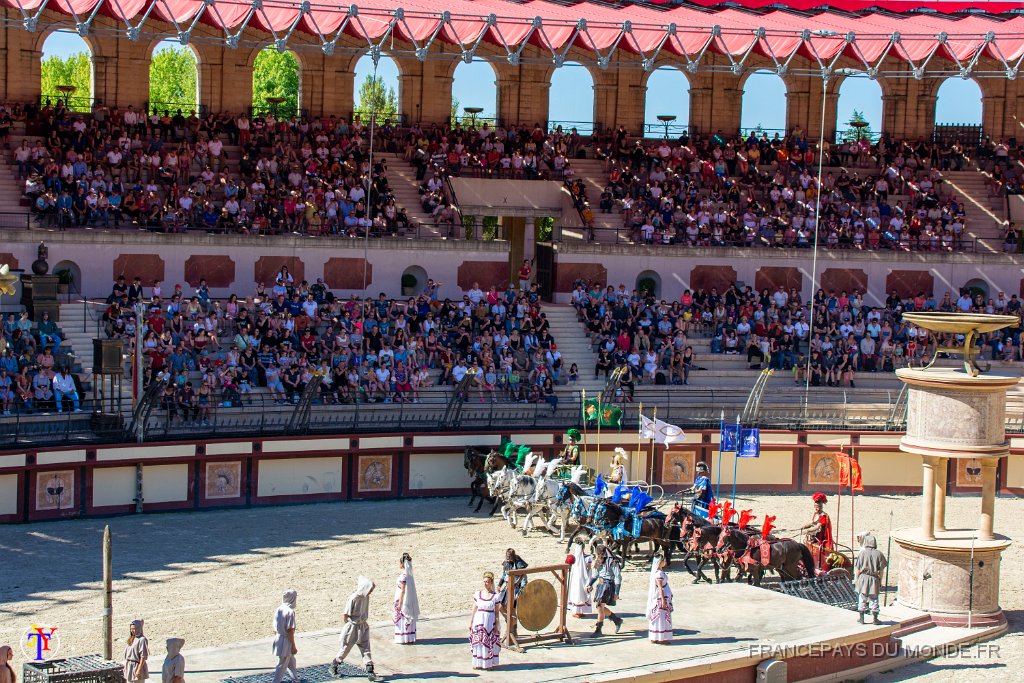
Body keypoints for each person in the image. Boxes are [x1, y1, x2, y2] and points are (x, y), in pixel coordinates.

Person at [332, 577, 377, 681]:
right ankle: (334, 665)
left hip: (363, 625)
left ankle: (370, 671)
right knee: (346, 647)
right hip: (353, 626)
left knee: (366, 648)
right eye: (370, 589)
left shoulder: (366, 596)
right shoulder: (353, 598)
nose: (371, 591)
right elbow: (345, 614)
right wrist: (348, 626)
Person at [586, 544, 623, 636]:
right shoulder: (598, 561)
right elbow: (595, 575)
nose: (599, 558)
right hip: (601, 585)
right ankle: (616, 619)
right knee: (600, 607)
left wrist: (616, 592)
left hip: (608, 585)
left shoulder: (613, 562)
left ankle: (598, 629)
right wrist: (589, 584)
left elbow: (618, 577)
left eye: (601, 556)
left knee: (599, 606)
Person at [469, 572, 501, 670]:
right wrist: (471, 622)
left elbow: (496, 612)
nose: (485, 583)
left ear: (491, 583)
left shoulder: (495, 596)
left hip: (489, 621)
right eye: (484, 581)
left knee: (488, 642)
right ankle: (478, 663)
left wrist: (496, 624)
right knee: (478, 641)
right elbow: (474, 608)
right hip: (479, 620)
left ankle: (488, 664)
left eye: (487, 582)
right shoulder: (478, 594)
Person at [855, 531, 888, 625]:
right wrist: (880, 580)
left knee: (862, 598)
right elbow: (881, 570)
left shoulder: (862, 554)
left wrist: (857, 579)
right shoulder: (879, 554)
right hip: (873, 578)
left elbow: (857, 569)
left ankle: (861, 618)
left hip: (863, 578)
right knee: (874, 598)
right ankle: (875, 619)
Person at [497, 548, 528, 637]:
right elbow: (504, 575)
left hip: (515, 589)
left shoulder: (519, 565)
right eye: (507, 556)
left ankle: (513, 631)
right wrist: (499, 585)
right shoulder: (506, 563)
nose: (507, 557)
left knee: (512, 610)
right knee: (499, 606)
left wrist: (520, 592)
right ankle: (510, 621)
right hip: (507, 588)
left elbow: (524, 579)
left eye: (509, 556)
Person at [271, 590, 299, 683]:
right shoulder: (290, 612)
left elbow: (274, 628)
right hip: (286, 640)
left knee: (291, 662)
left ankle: (295, 680)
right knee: (282, 664)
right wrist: (293, 646)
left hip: (279, 638)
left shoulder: (279, 609)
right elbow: (290, 630)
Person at [393, 553, 420, 644]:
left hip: (403, 600)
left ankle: (403, 637)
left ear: (402, 564)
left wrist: (400, 603)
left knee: (403, 617)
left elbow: (403, 591)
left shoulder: (403, 576)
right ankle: (409, 637)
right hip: (408, 600)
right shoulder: (409, 576)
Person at [647, 553, 673, 643]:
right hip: (661, 597)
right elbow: (660, 587)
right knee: (661, 617)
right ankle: (661, 637)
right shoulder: (659, 574)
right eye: (664, 561)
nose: (665, 562)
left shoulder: (658, 573)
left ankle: (655, 636)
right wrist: (663, 599)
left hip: (660, 597)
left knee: (658, 617)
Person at [567, 540, 593, 618]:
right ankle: (577, 611)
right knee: (580, 593)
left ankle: (579, 611)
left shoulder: (574, 558)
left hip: (576, 578)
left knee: (578, 593)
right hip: (583, 578)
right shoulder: (588, 557)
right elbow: (589, 568)